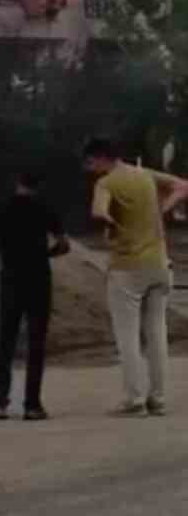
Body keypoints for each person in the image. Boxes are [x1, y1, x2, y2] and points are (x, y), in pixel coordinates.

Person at [83, 138, 188, 417]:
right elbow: (182, 186)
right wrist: (162, 209)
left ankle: (134, 399)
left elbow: (98, 210)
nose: (91, 169)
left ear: (101, 158)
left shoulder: (106, 183)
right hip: (159, 264)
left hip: (127, 268)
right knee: (157, 334)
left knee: (128, 336)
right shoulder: (146, 175)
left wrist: (108, 219)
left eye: (91, 163)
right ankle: (159, 398)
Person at [0, 171, 70, 421]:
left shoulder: (0, 207)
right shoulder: (45, 207)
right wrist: (46, 254)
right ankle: (32, 405)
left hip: (11, 277)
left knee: (6, 340)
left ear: (18, 183)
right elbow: (64, 244)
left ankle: (0, 403)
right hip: (38, 279)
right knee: (36, 342)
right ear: (39, 186)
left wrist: (10, 254)